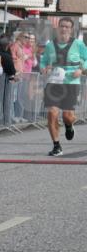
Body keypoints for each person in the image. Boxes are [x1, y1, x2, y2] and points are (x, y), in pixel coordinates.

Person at [41, 17, 87, 156]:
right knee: (52, 113)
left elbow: (86, 60)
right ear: (58, 27)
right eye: (62, 26)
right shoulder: (50, 45)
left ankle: (69, 125)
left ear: (71, 29)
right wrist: (44, 68)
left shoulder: (78, 44)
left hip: (71, 83)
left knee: (67, 116)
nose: (64, 29)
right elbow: (44, 62)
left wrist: (81, 69)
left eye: (67, 26)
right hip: (54, 82)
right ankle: (56, 146)